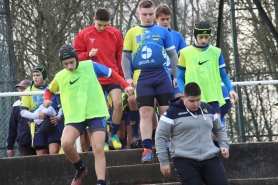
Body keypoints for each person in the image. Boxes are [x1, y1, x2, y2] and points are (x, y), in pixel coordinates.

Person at [43, 45, 133, 185]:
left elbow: (111, 73)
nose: (69, 66)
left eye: (72, 62)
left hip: (94, 113)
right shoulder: (60, 76)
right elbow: (49, 90)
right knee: (66, 143)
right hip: (74, 115)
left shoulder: (90, 65)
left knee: (98, 147)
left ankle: (101, 182)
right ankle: (80, 168)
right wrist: (46, 100)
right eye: (66, 64)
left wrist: (125, 85)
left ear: (77, 59)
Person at [121, 0, 179, 163]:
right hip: (142, 77)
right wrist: (128, 78)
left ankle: (167, 141)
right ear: (139, 14)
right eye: (145, 14)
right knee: (145, 112)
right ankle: (147, 147)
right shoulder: (132, 32)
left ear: (155, 14)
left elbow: (173, 55)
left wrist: (175, 76)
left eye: (151, 14)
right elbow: (125, 56)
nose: (148, 17)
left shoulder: (163, 31)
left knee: (166, 111)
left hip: (161, 75)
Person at [155, 82, 229, 185]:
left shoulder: (208, 109)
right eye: (191, 101)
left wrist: (224, 144)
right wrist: (163, 161)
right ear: (183, 97)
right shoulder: (171, 113)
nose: (195, 104)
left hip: (210, 157)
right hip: (185, 159)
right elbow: (160, 136)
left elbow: (219, 129)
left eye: (198, 100)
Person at [73, 8, 124, 150]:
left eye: (105, 25)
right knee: (101, 109)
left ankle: (113, 134)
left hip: (112, 75)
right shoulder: (83, 35)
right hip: (94, 78)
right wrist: (88, 54)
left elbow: (119, 56)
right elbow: (75, 57)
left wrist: (121, 76)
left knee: (118, 103)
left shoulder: (115, 34)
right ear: (93, 19)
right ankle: (104, 140)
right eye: (99, 24)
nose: (102, 28)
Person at [176, 21, 238, 117]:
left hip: (212, 97)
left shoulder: (216, 52)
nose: (204, 40)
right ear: (195, 36)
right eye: (201, 37)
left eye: (206, 37)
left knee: (215, 129)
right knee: (197, 129)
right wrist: (184, 92)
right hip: (193, 99)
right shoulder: (185, 53)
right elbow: (179, 77)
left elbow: (224, 75)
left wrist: (231, 89)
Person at [20, 66, 61, 155]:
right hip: (37, 126)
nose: (35, 77)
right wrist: (38, 115)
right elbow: (22, 112)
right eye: (34, 75)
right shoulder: (28, 91)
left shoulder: (52, 88)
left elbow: (61, 107)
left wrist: (58, 118)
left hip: (52, 124)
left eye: (38, 75)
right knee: (41, 155)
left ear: (44, 76)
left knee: (54, 152)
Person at [155, 3, 187, 98]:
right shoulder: (151, 35)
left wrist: (175, 70)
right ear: (156, 18)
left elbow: (184, 55)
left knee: (179, 99)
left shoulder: (177, 36)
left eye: (167, 19)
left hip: (174, 76)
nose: (165, 22)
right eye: (162, 19)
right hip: (156, 75)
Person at [6, 79, 37, 157]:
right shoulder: (16, 105)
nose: (21, 91)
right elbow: (12, 127)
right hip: (24, 144)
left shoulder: (38, 102)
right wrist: (10, 146)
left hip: (40, 142)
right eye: (20, 89)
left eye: (24, 88)